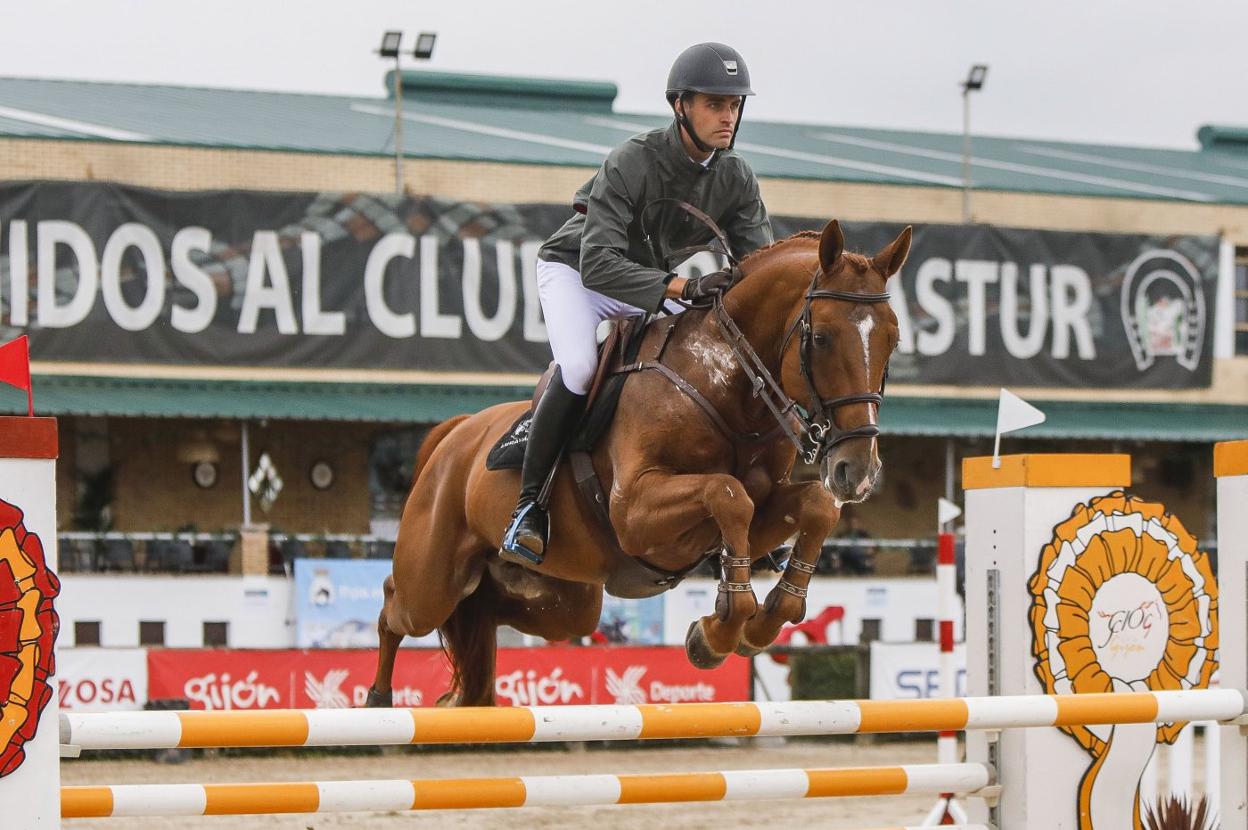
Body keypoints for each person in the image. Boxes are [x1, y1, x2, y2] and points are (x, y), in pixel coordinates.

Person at [500, 42, 774, 567]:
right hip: (577, 271)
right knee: (580, 366)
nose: (728, 116)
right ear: (680, 106)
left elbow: (756, 267)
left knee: (708, 352)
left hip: (649, 282)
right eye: (715, 104)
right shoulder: (632, 160)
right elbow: (598, 264)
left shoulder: (736, 177)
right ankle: (528, 506)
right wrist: (680, 288)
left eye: (735, 105)